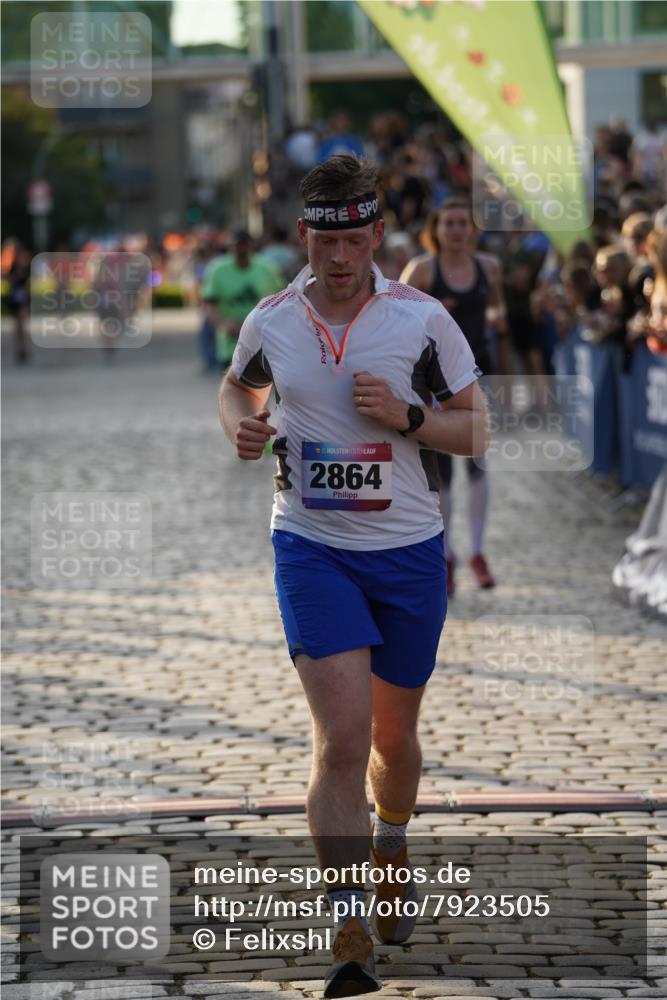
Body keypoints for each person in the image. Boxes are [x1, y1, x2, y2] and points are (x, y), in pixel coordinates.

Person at [219, 155, 488, 998]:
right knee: (338, 740)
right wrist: (241, 424)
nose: (339, 256)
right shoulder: (272, 319)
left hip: (407, 553)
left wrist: (407, 416)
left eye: (355, 239)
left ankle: (393, 844)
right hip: (310, 547)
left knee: (390, 739)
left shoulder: (423, 320)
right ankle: (346, 927)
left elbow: (477, 434)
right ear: (304, 235)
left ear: (377, 235)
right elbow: (237, 389)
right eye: (323, 239)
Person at [399, 199, 506, 594]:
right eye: (450, 223)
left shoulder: (488, 267)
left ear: (472, 229)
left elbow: (496, 311)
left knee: (478, 463)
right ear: (437, 229)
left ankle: (477, 553)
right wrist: (433, 315)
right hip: (436, 382)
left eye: (464, 222)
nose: (458, 230)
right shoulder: (423, 270)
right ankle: (446, 556)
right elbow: (396, 319)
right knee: (441, 473)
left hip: (480, 374)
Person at [202, 229, 282, 370]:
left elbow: (282, 299)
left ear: (251, 245)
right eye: (238, 245)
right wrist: (224, 324)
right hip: (231, 343)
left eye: (245, 245)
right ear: (230, 246)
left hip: (263, 342)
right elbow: (209, 305)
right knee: (233, 388)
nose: (241, 249)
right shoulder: (218, 269)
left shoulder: (267, 268)